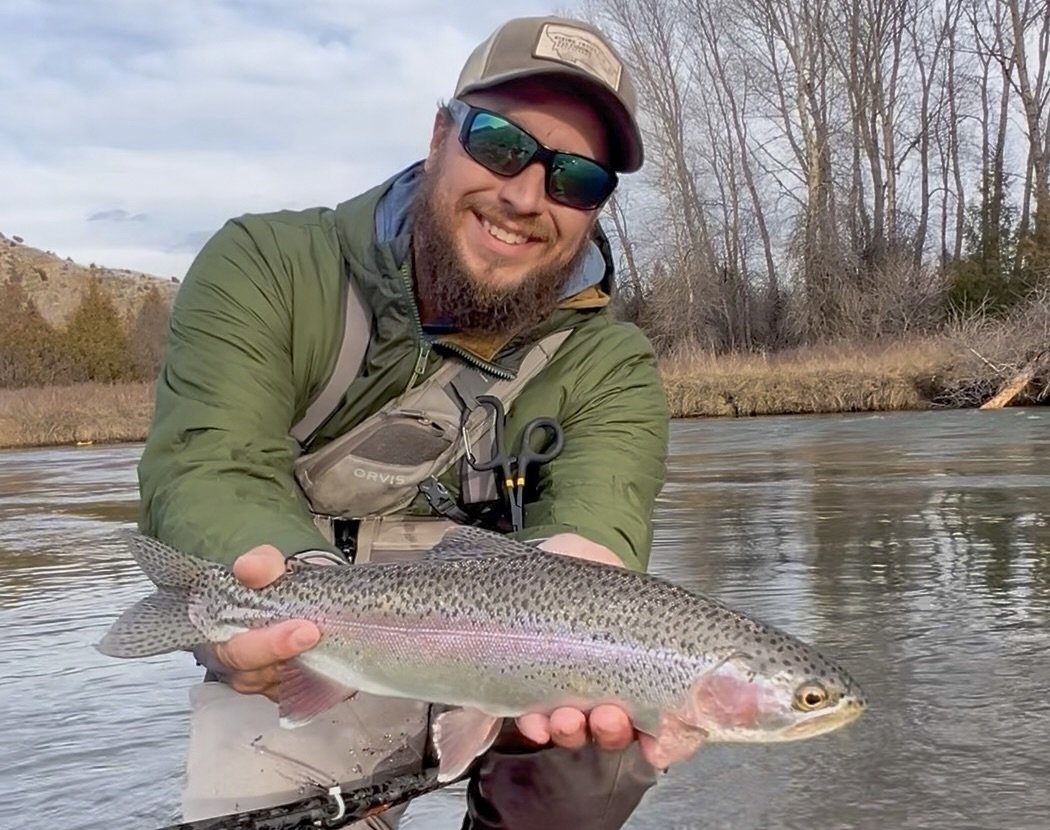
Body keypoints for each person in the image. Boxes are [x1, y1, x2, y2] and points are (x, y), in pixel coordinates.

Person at [138, 15, 675, 830]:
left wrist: (590, 589)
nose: (526, 196)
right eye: (500, 145)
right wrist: (295, 611)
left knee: (606, 734)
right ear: (438, 137)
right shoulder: (267, 267)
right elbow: (211, 468)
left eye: (577, 179)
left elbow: (594, 536)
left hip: (514, 657)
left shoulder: (615, 364)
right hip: (318, 626)